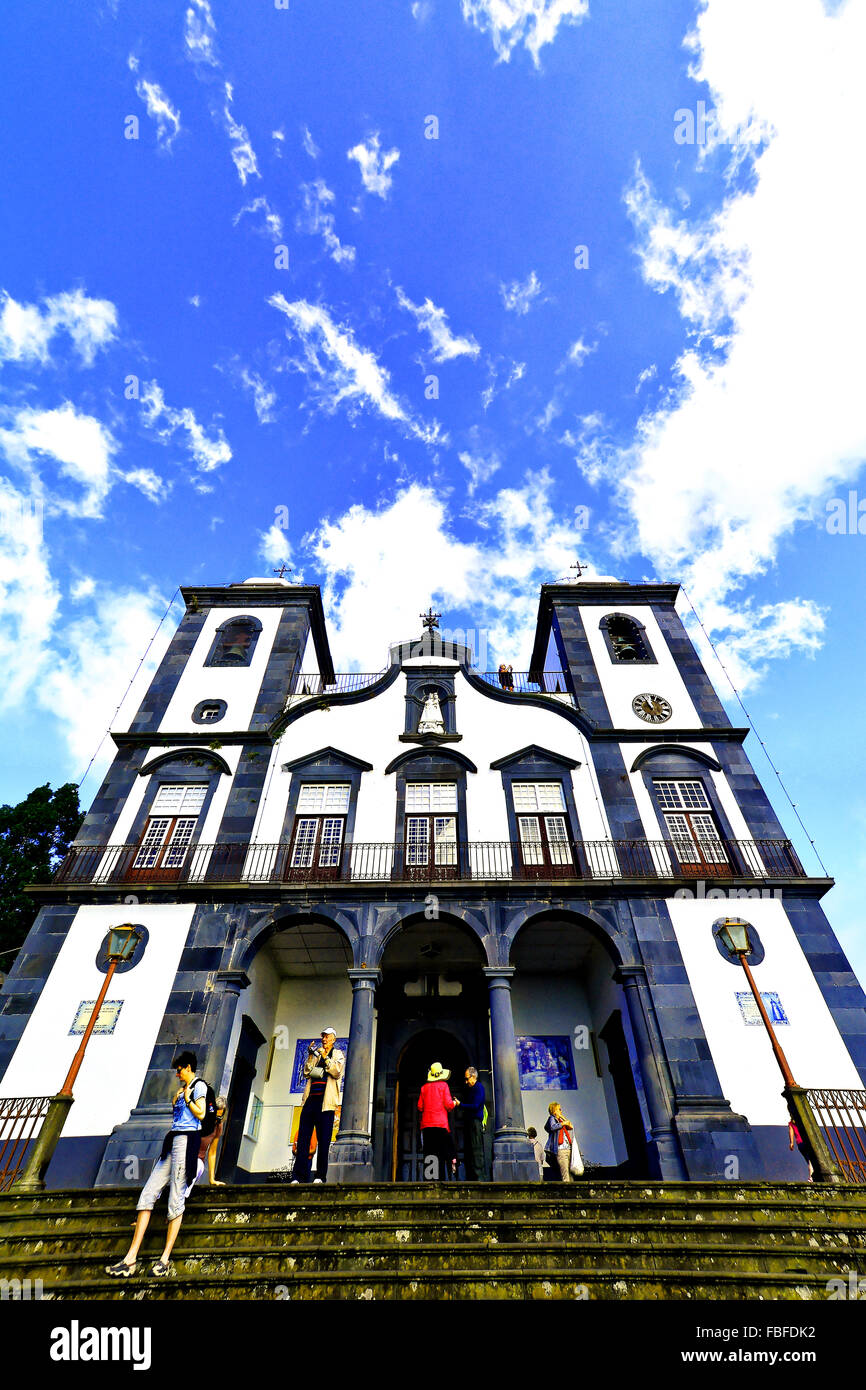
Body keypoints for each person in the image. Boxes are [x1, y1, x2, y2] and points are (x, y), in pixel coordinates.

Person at [105, 1051, 207, 1277]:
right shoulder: (181, 1090)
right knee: (148, 1194)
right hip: (172, 1139)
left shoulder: (199, 1087)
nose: (177, 1074)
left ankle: (165, 1258)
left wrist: (187, 1098)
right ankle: (130, 1258)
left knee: (176, 1198)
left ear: (188, 1067)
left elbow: (200, 1114)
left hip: (186, 1140)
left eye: (179, 1069)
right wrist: (178, 1099)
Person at [291, 1028, 344, 1185]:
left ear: (333, 1039)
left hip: (326, 1104)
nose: (324, 1039)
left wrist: (325, 1056)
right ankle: (298, 1176)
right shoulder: (316, 1055)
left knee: (324, 1141)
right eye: (323, 1036)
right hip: (310, 1101)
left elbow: (336, 1071)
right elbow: (307, 1072)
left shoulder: (338, 1054)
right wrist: (310, 1054)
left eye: (327, 1036)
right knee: (303, 1140)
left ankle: (320, 1176)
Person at [418, 1062, 459, 1181]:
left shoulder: (424, 1088)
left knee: (429, 1153)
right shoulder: (444, 1086)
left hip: (427, 1126)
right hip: (441, 1125)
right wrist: (455, 1103)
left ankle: (429, 1182)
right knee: (440, 1153)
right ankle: (439, 1182)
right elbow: (449, 1105)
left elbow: (420, 1106)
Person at [461, 1066, 488, 1181]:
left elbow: (475, 1106)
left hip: (475, 1123)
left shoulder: (479, 1088)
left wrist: (460, 1105)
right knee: (471, 1150)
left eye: (467, 1079)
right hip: (471, 1122)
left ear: (473, 1077)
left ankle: (480, 1178)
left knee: (476, 1149)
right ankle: (474, 1177)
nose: (466, 1081)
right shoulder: (473, 1089)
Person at [544, 1102, 575, 1183]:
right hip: (561, 1150)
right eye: (559, 1109)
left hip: (568, 1148)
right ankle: (568, 1192)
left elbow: (571, 1126)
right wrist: (563, 1123)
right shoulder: (552, 1118)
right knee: (565, 1173)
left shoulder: (560, 1120)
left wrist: (562, 1117)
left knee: (570, 1172)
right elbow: (552, 1127)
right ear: (554, 1110)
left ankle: (573, 1191)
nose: (561, 1111)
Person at [788, 1116, 815, 1181]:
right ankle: (811, 1177)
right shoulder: (802, 1120)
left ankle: (812, 1177)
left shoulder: (791, 1123)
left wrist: (791, 1143)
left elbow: (791, 1133)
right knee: (811, 1161)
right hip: (807, 1142)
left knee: (808, 1160)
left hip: (800, 1143)